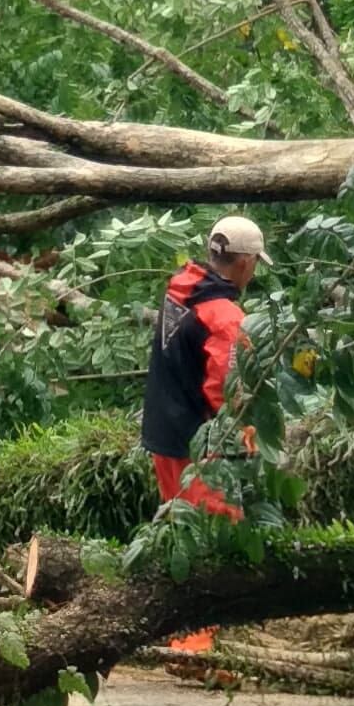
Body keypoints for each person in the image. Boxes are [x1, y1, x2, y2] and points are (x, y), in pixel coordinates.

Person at [140, 216, 264, 515]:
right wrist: (248, 439)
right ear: (246, 262)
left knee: (179, 521)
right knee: (217, 534)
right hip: (198, 448)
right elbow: (227, 392)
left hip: (163, 436)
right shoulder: (225, 318)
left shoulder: (180, 291)